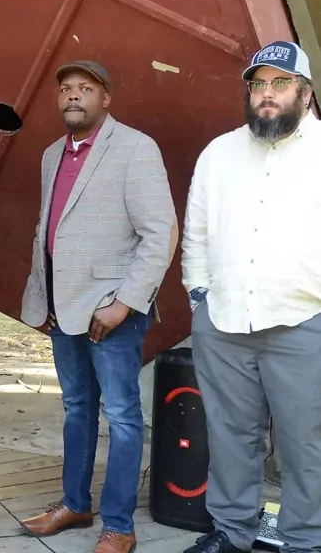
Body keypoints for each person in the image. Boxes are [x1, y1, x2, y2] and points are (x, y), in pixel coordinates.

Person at [19, 60, 177, 553]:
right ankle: (75, 504)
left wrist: (125, 303)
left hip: (112, 313)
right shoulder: (52, 154)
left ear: (105, 99)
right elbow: (49, 231)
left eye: (85, 88)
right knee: (76, 408)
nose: (73, 95)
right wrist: (42, 297)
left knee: (123, 417)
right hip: (63, 309)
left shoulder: (135, 148)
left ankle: (120, 526)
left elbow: (160, 234)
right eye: (66, 88)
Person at [181, 41, 320, 553]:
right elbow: (195, 232)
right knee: (230, 436)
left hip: (303, 321)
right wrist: (199, 298)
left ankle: (306, 540)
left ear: (305, 94)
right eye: (258, 84)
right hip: (223, 323)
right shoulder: (219, 153)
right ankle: (231, 532)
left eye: (280, 83)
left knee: (306, 442)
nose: (267, 93)